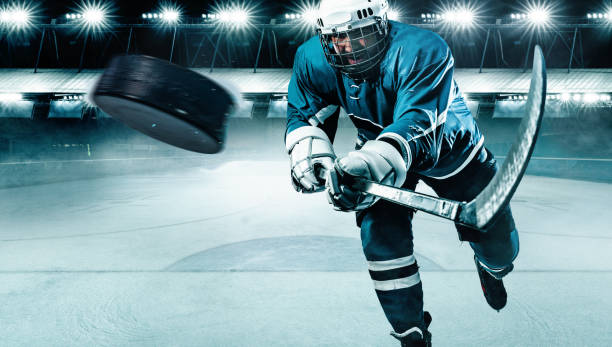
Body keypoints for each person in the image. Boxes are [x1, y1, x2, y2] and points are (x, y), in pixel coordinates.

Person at [284, 1, 519, 345]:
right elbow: (305, 115)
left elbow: (419, 123)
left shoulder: (423, 49)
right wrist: (311, 156)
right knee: (381, 242)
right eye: (336, 40)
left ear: (382, 25)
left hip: (451, 151)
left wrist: (368, 163)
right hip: (380, 151)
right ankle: (410, 332)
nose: (347, 50)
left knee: (498, 247)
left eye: (358, 36)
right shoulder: (312, 57)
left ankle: (493, 267)